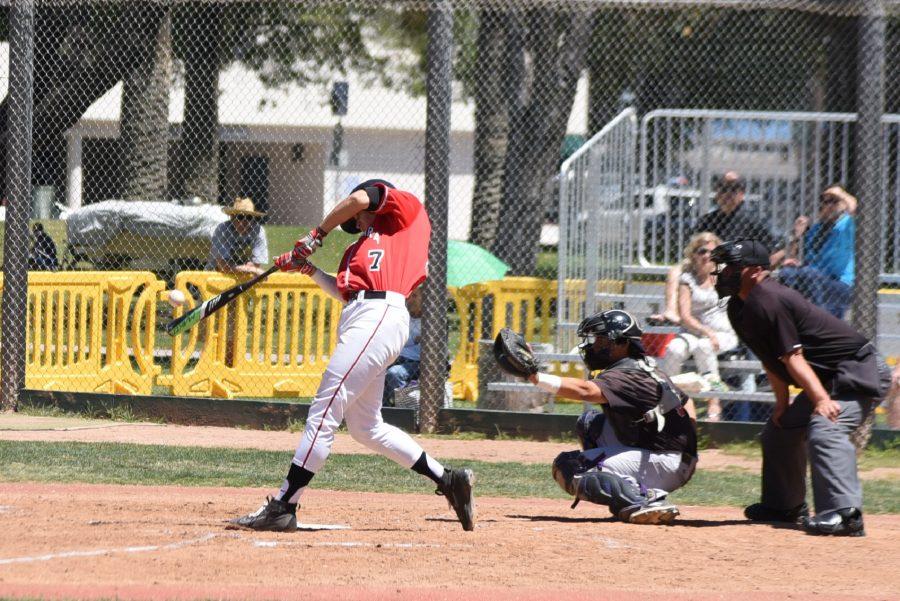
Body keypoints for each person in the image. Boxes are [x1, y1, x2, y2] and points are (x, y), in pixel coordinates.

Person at [229, 179, 476, 532]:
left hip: (379, 318)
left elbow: (359, 198)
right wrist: (308, 268)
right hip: (365, 319)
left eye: (358, 220)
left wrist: (316, 235)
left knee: (324, 410)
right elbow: (347, 293)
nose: (356, 225)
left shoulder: (405, 212)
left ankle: (284, 505)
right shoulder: (361, 249)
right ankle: (448, 479)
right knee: (365, 427)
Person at [711, 239, 892, 536]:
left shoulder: (770, 298)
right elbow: (772, 360)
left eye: (732, 267)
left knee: (826, 427)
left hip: (856, 370)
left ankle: (845, 514)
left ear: (755, 271)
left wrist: (820, 401)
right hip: (825, 378)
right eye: (723, 266)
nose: (723, 272)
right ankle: (785, 506)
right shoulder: (739, 306)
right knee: (779, 431)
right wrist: (781, 405)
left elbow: (794, 356)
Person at [525, 309, 698, 524]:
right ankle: (629, 491)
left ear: (622, 343)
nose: (594, 345)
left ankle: (645, 499)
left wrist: (534, 376)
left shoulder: (628, 374)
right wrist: (686, 444)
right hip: (669, 456)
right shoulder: (640, 366)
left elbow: (586, 391)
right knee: (589, 424)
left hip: (666, 461)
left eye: (602, 339)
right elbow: (687, 402)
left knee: (569, 466)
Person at [653, 171, 779, 325]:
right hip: (705, 269)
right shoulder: (708, 220)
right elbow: (693, 250)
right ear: (717, 192)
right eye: (723, 188)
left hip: (735, 273)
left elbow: (776, 250)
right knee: (675, 270)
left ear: (742, 193)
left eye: (733, 188)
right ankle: (671, 312)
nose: (727, 193)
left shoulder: (753, 221)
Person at [658, 232, 739, 421]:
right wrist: (706, 331)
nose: (706, 256)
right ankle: (670, 403)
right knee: (673, 349)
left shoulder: (725, 276)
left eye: (711, 252)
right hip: (694, 332)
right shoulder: (687, 279)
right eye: (701, 251)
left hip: (724, 334)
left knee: (704, 347)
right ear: (694, 255)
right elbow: (685, 316)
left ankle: (714, 402)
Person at [778, 185, 856, 318]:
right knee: (787, 273)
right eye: (825, 201)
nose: (828, 205)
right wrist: (797, 236)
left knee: (809, 273)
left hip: (839, 283)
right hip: (814, 280)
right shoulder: (815, 230)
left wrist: (840, 193)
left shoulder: (847, 224)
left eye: (834, 201)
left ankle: (821, 321)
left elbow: (856, 208)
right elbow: (796, 257)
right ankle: (786, 318)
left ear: (843, 204)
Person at [206, 197, 269, 276]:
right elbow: (223, 267)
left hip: (243, 277)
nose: (244, 222)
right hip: (216, 276)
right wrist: (250, 269)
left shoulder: (258, 231)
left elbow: (256, 264)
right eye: (240, 217)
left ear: (253, 219)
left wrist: (250, 268)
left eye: (249, 217)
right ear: (232, 217)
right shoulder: (223, 229)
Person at [382, 287, 422, 406]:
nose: (410, 300)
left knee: (394, 373)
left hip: (416, 363)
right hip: (396, 358)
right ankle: (385, 410)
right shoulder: (402, 316)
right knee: (376, 370)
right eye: (408, 296)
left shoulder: (431, 321)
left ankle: (407, 409)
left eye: (414, 296)